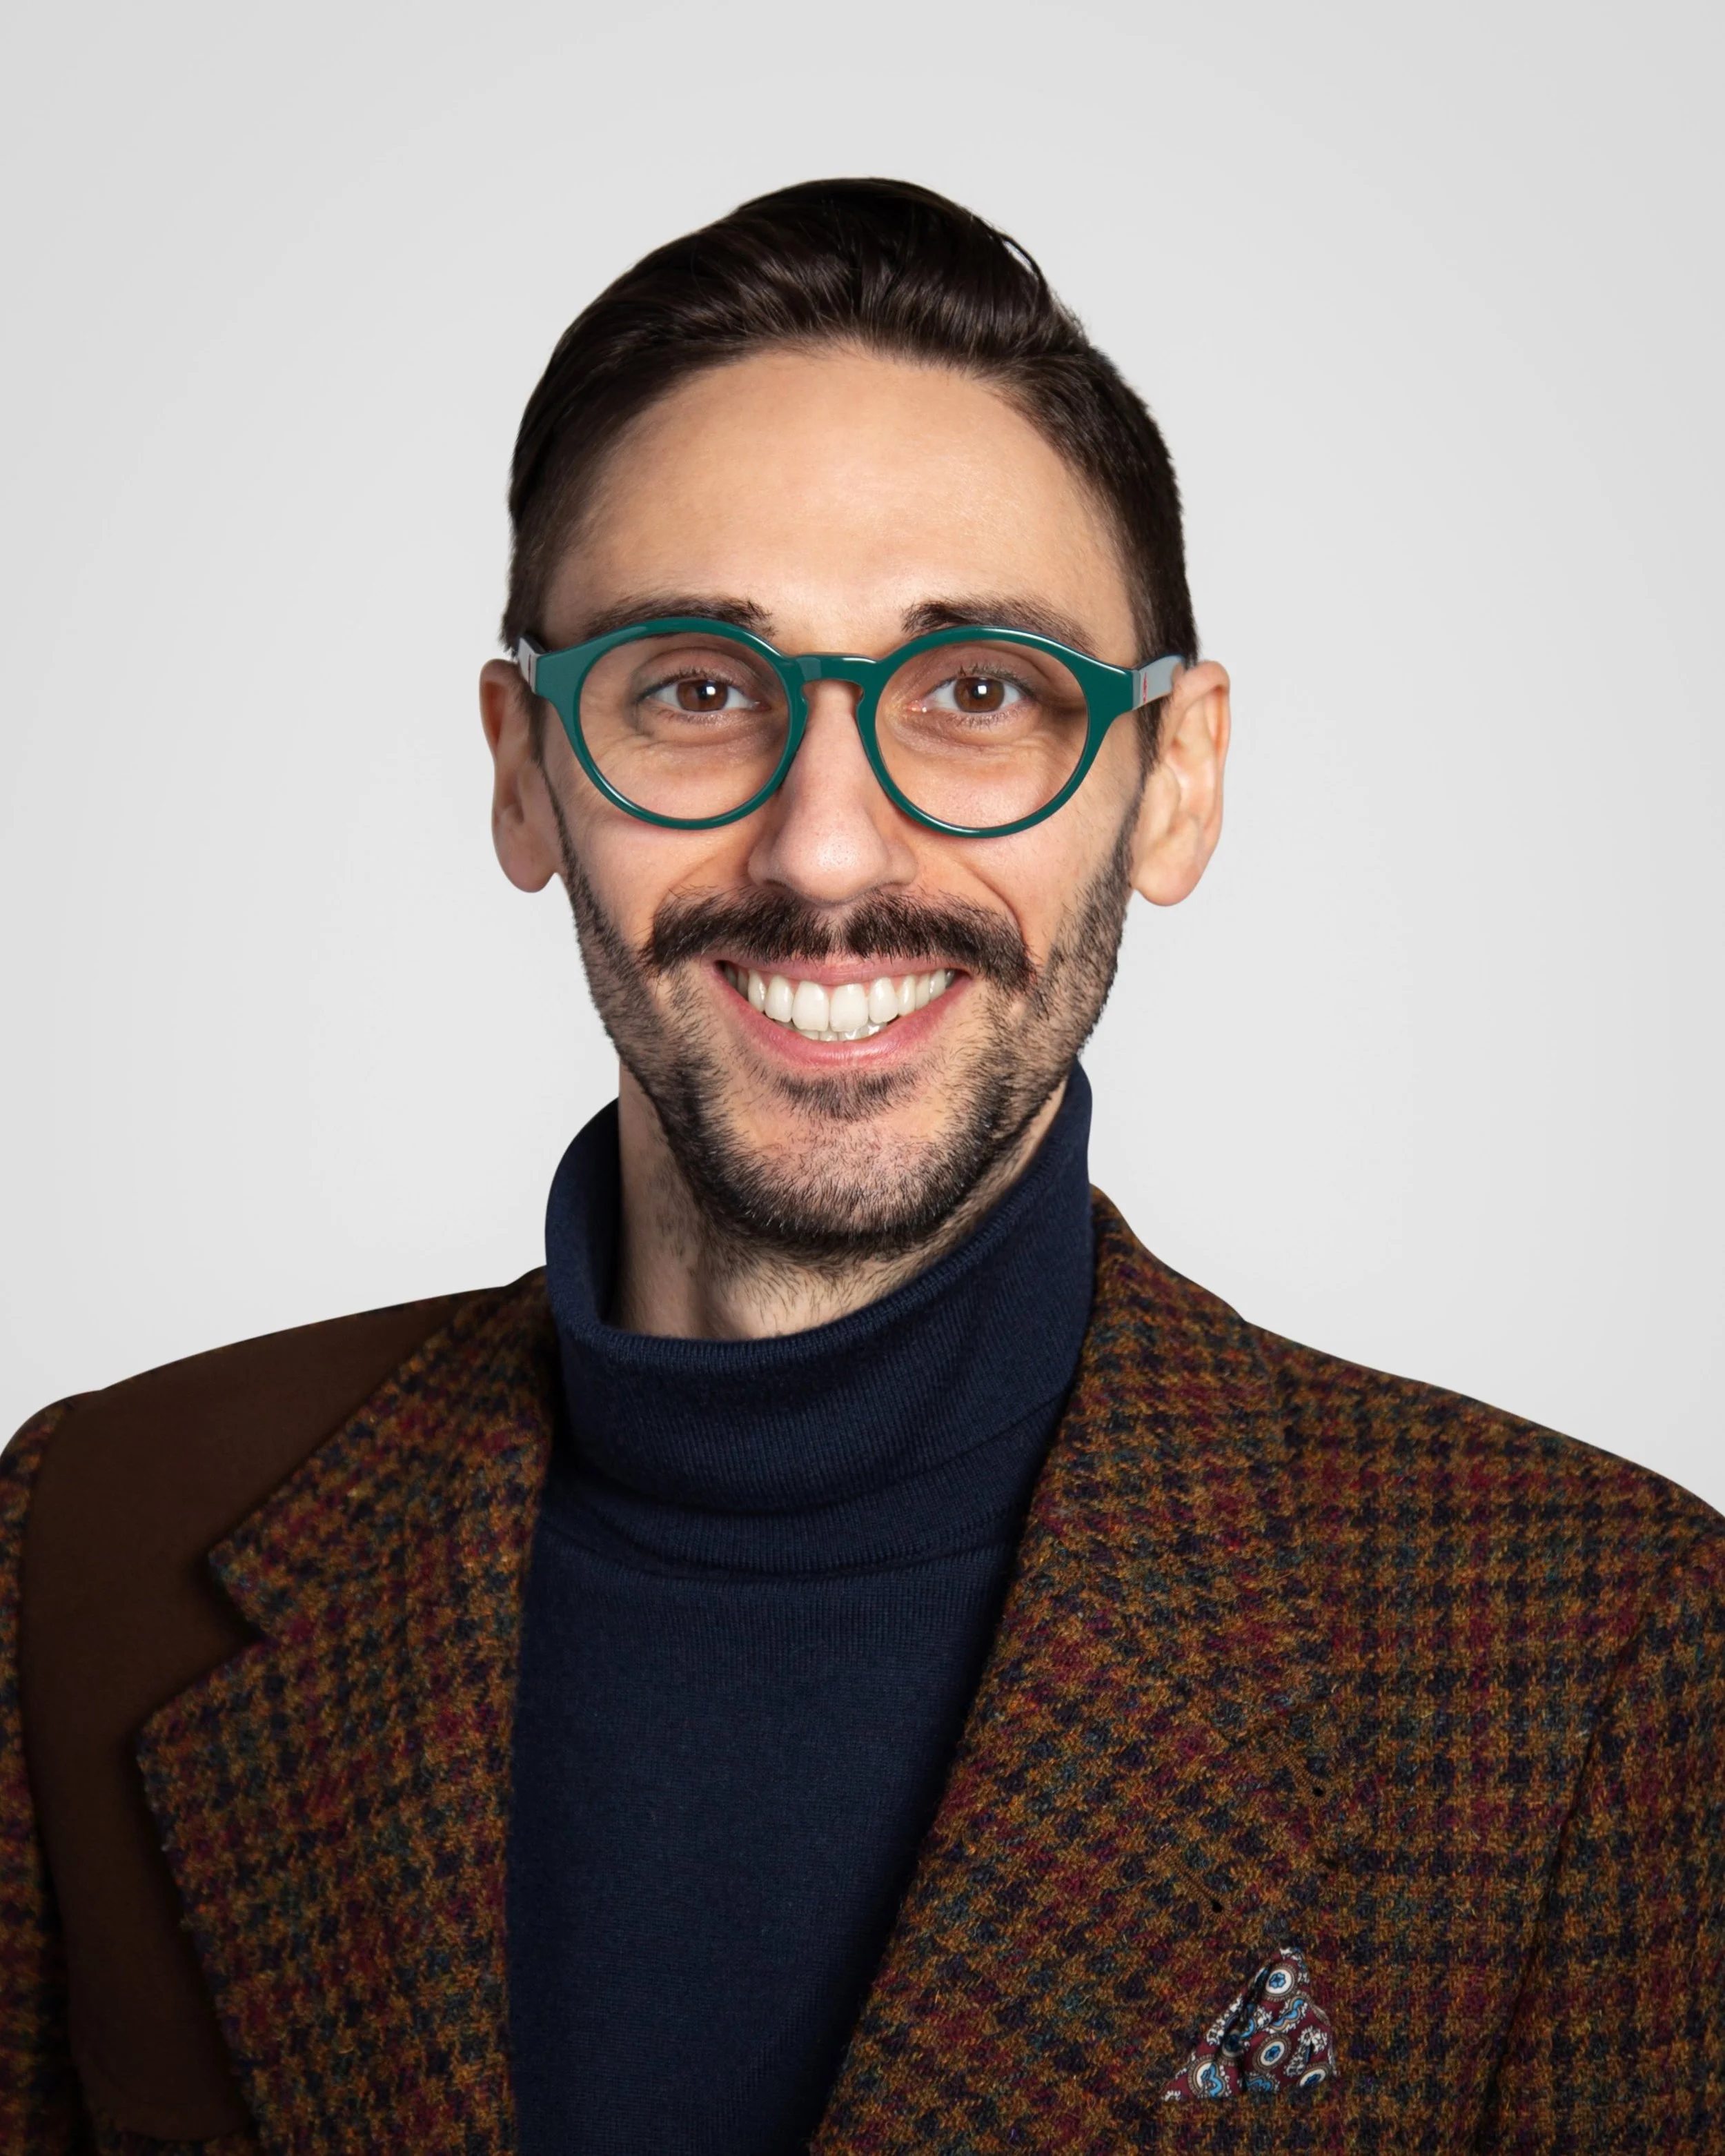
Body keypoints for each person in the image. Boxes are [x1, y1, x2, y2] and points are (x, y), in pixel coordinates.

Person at [2, 177, 1719, 2156]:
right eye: (698, 690)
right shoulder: (90, 1547)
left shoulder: (1592, 1654)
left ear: (1173, 782)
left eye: (979, 693)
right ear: (521, 767)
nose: (826, 851)